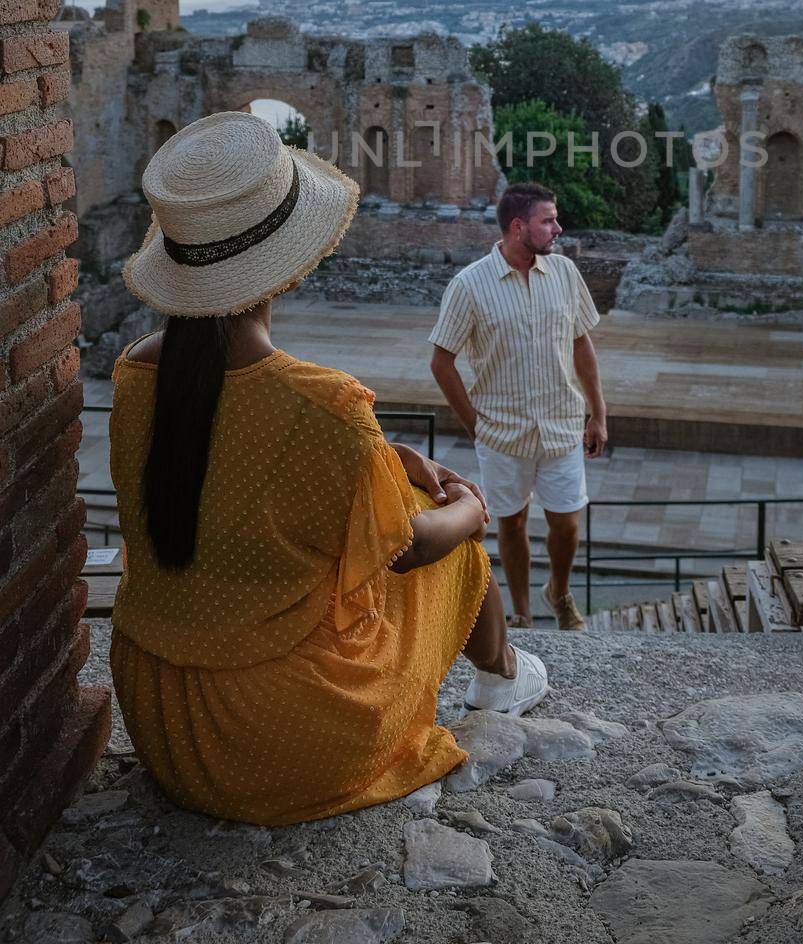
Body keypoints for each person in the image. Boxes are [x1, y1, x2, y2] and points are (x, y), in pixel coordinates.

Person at [109, 111, 547, 827]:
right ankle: (501, 679)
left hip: (166, 723)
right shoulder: (323, 404)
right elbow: (410, 548)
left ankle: (499, 671)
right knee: (455, 551)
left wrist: (388, 456)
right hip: (284, 738)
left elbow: (226, 462)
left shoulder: (134, 375)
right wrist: (471, 507)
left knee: (389, 494)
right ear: (288, 262)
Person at [428, 181, 608, 633]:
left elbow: (582, 342)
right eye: (547, 220)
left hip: (561, 425)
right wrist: (475, 425)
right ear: (517, 226)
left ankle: (560, 593)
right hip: (501, 432)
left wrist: (598, 412)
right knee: (511, 526)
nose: (557, 228)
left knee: (566, 523)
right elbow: (441, 360)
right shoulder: (469, 285)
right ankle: (523, 610)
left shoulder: (565, 273)